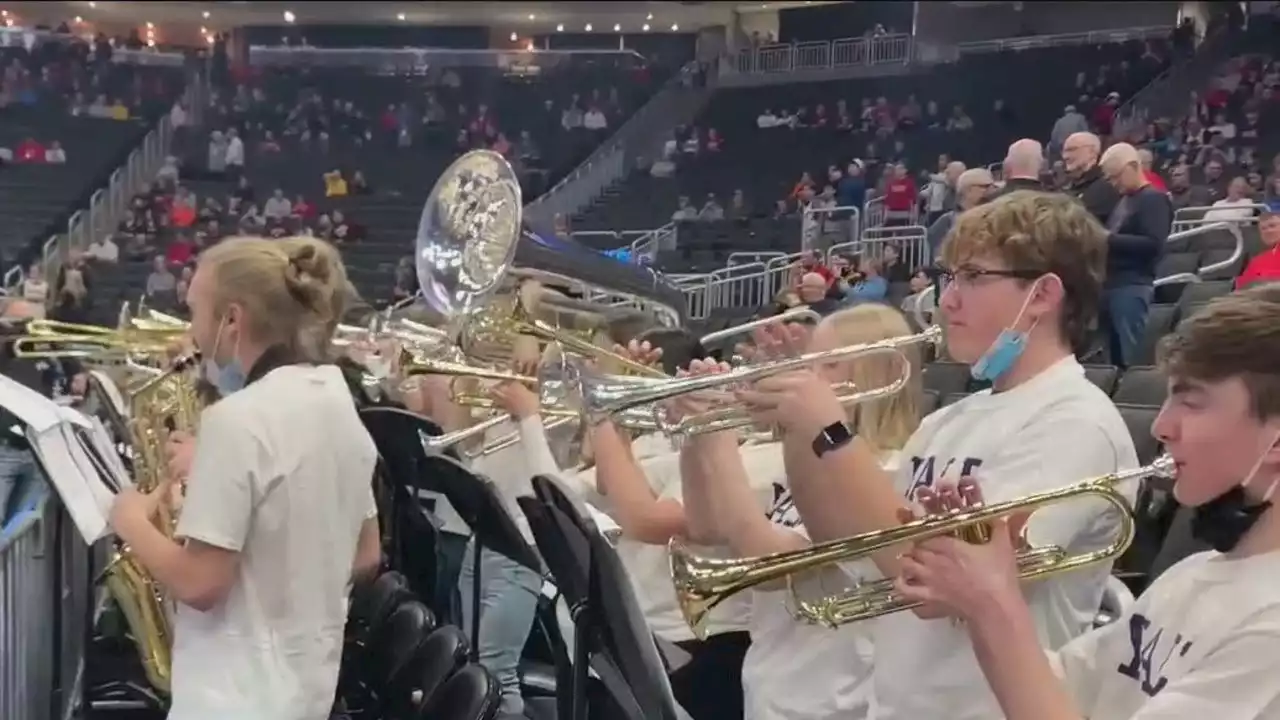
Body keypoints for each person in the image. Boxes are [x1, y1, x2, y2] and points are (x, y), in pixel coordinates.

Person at [732, 191, 1138, 720]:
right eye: (949, 278)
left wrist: (830, 431)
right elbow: (845, 545)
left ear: (1041, 294)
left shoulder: (1076, 424)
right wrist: (798, 422)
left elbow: (935, 579)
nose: (946, 300)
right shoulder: (946, 421)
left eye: (972, 277)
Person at [894, 284, 1280, 720]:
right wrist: (975, 584)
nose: (1161, 427)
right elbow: (1066, 685)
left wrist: (992, 604)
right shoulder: (1192, 575)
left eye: (1191, 403)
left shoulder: (1271, 625)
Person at [108, 236, 382, 720]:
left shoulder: (237, 420)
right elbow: (366, 554)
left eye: (195, 311)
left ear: (232, 319)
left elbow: (199, 584)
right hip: (306, 692)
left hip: (230, 698)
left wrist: (130, 521)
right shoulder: (336, 399)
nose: (191, 330)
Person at [677, 303, 924, 720]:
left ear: (873, 377)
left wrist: (719, 433)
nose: (806, 378)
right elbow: (706, 527)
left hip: (830, 703)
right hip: (771, 689)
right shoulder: (799, 460)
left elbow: (768, 562)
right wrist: (697, 431)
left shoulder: (886, 473)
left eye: (823, 365)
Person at [1098, 143, 1172, 367]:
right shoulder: (1125, 201)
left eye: (1116, 176)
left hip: (1132, 285)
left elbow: (1154, 244)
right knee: (1114, 357)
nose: (1113, 183)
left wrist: (1106, 238)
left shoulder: (1154, 199)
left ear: (1133, 166)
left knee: (1133, 357)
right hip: (1113, 284)